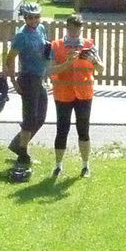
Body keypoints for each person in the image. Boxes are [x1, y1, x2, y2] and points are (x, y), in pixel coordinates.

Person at [45, 13, 100, 178]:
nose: (75, 33)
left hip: (84, 94)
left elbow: (101, 68)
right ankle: (58, 166)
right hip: (63, 94)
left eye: (78, 30)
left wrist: (94, 61)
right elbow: (49, 70)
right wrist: (67, 63)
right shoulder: (56, 45)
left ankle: (85, 165)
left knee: (83, 130)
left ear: (81, 29)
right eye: (72, 30)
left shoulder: (89, 45)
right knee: (62, 129)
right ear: (67, 28)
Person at [2, 2, 49, 169]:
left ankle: (17, 144)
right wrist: (14, 82)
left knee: (41, 117)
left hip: (39, 78)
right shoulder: (21, 36)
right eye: (30, 17)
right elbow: (9, 59)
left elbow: (44, 50)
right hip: (28, 78)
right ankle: (22, 154)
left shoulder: (41, 29)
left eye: (37, 17)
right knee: (30, 118)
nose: (34, 20)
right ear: (25, 18)